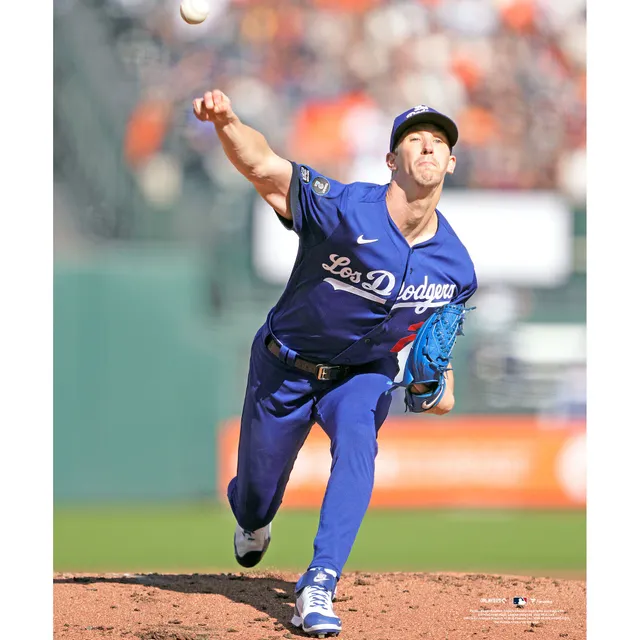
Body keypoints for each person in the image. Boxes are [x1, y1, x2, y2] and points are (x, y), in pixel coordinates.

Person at [192, 90, 478, 638]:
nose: (427, 147)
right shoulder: (345, 208)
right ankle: (254, 522)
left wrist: (429, 390)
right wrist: (227, 122)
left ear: (451, 162)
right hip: (286, 366)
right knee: (254, 501)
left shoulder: (456, 269)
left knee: (358, 445)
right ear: (391, 160)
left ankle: (319, 584)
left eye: (438, 141)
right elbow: (262, 166)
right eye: (413, 139)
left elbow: (440, 392)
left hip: (362, 376)